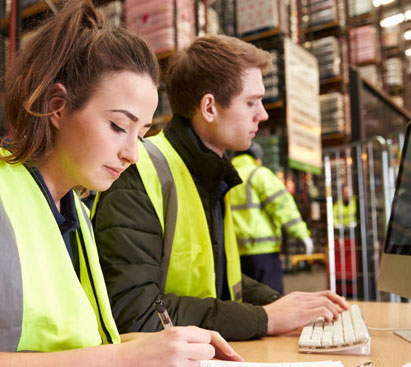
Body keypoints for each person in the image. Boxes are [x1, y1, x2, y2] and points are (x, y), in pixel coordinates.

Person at [0, 1, 242, 365]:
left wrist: (173, 344)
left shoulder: (75, 215)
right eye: (118, 126)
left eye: (142, 133)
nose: (133, 154)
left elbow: (79, 345)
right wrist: (125, 357)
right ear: (56, 107)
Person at [93, 34, 349, 342]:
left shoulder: (210, 175)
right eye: (252, 102)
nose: (263, 114)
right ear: (210, 107)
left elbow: (221, 282)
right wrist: (264, 318)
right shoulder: (138, 173)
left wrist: (283, 304)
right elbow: (136, 312)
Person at [230, 142, 313, 294]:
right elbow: (282, 206)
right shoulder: (259, 174)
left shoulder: (226, 176)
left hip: (234, 253)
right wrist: (302, 234)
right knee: (271, 298)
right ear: (257, 158)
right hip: (263, 251)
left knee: (245, 302)